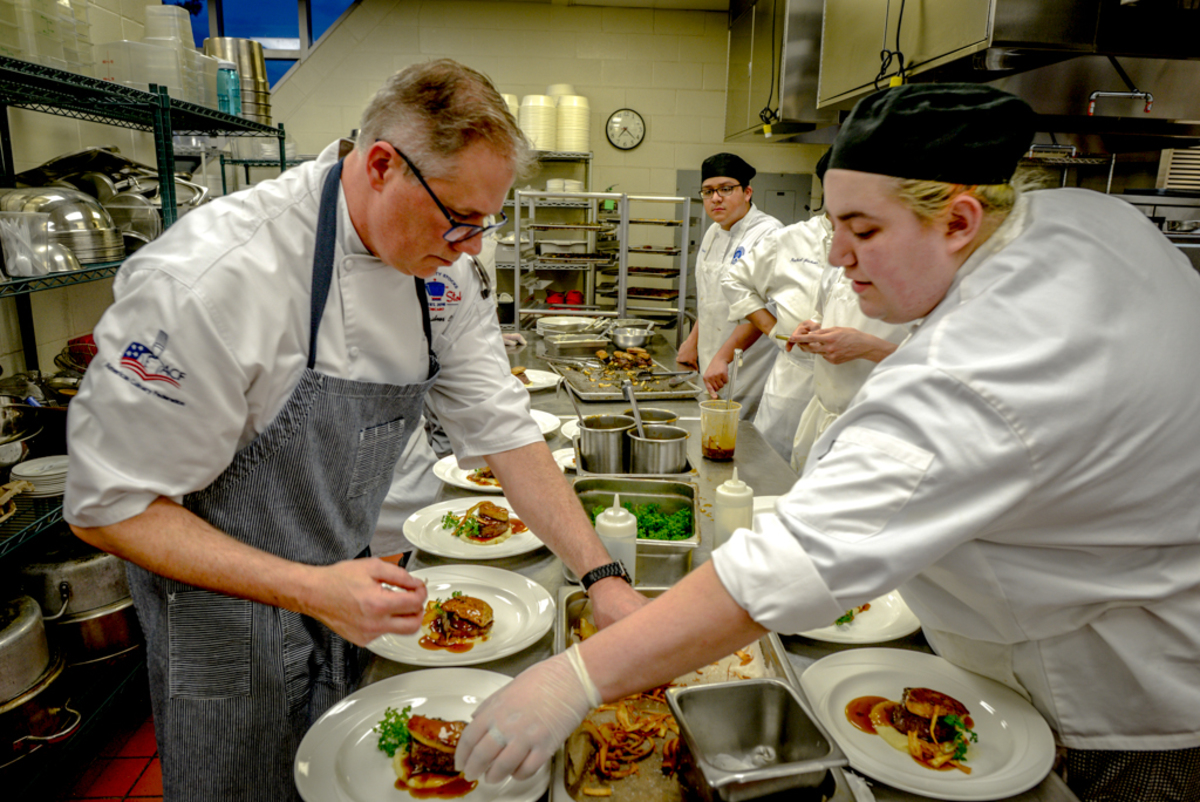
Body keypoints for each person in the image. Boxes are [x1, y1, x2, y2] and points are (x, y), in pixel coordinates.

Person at [454, 83, 1200, 802]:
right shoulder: (1083, 219)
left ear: (962, 220)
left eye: (865, 231)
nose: (838, 257)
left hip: (1117, 701)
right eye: (834, 224)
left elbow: (792, 566)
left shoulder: (985, 368)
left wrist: (575, 679)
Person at [63, 59, 645, 802]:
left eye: (484, 224)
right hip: (221, 619)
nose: (471, 245)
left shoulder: (442, 276)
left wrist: (601, 578)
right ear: (380, 166)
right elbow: (105, 507)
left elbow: (505, 436)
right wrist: (306, 588)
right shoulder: (215, 279)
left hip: (343, 590)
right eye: (458, 219)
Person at [719, 150, 831, 460]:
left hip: (850, 382)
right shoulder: (792, 239)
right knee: (771, 466)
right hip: (795, 375)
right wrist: (773, 332)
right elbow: (734, 282)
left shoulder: (885, 243)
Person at [675, 153, 782, 418]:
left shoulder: (769, 234)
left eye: (726, 189)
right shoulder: (714, 231)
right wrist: (692, 340)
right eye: (708, 191)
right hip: (712, 359)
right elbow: (712, 298)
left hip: (749, 364)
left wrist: (723, 357)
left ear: (747, 192)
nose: (716, 198)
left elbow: (766, 309)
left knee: (742, 439)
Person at [784, 261, 910, 471]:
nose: (837, 253)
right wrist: (814, 331)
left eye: (863, 232)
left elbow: (944, 364)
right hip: (822, 416)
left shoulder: (927, 275)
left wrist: (870, 348)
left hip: (879, 434)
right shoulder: (837, 265)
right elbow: (822, 314)